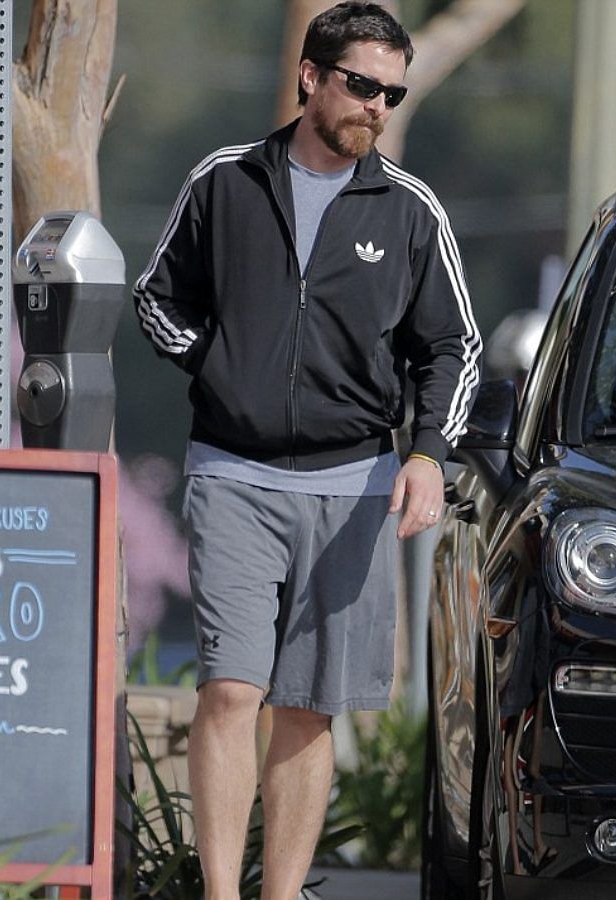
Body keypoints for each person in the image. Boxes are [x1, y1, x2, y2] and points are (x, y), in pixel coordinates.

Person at [131, 3, 482, 897]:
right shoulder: (225, 181)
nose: (378, 107)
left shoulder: (408, 210)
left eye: (393, 93)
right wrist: (222, 367)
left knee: (306, 711)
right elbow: (154, 298)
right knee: (230, 692)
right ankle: (220, 892)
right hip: (233, 478)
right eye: (363, 85)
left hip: (355, 489)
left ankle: (280, 893)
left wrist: (428, 453)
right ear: (312, 77)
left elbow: (454, 346)